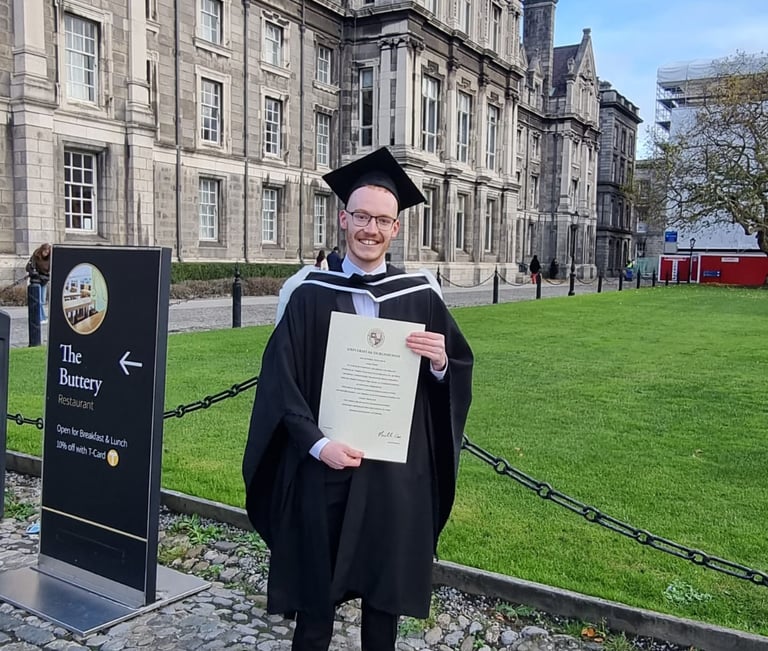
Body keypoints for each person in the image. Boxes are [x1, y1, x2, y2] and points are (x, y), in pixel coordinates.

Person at [243, 147, 473, 651]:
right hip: (324, 465)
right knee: (314, 603)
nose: (370, 229)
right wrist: (316, 445)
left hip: (392, 474)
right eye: (362, 216)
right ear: (344, 218)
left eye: (382, 220)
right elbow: (280, 383)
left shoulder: (421, 296)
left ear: (396, 229)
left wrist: (438, 364)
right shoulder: (308, 293)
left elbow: (454, 375)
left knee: (382, 601)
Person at [26, 243, 51, 322]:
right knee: (38, 300)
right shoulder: (36, 256)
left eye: (47, 252)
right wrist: (34, 273)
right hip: (36, 280)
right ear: (42, 250)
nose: (46, 254)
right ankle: (40, 317)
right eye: (45, 252)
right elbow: (28, 267)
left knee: (42, 300)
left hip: (44, 280)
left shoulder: (50, 258)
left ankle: (42, 316)